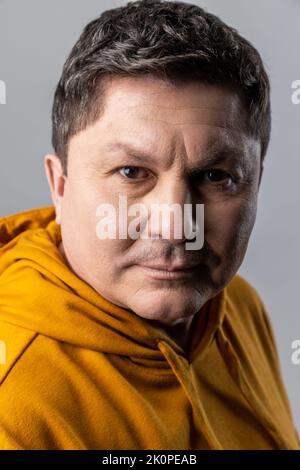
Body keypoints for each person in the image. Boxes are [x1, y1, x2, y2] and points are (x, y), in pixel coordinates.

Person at [0, 0, 299, 450]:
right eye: (131, 173)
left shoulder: (236, 305)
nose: (176, 226)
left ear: (256, 184)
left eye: (216, 176)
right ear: (58, 186)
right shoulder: (13, 405)